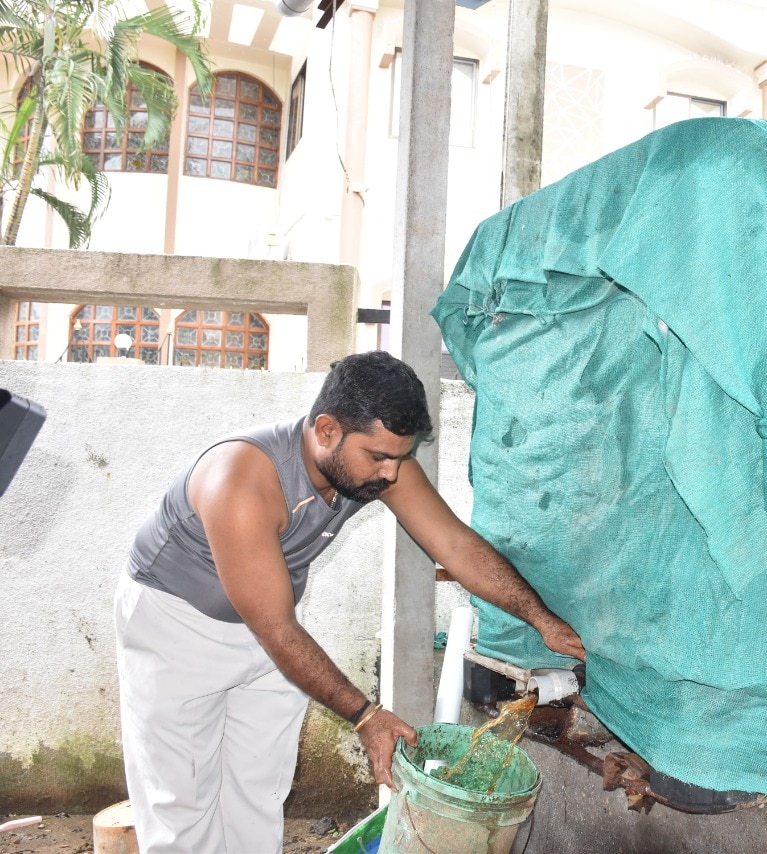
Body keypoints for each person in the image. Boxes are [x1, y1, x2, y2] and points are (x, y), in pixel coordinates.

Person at [113, 351, 584, 853]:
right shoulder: (241, 479)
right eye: (378, 456)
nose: (390, 473)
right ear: (326, 430)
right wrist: (365, 715)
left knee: (258, 792)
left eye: (400, 457)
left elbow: (454, 545)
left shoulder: (378, 466)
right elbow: (276, 628)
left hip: (270, 629)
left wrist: (540, 619)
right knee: (182, 805)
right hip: (177, 629)